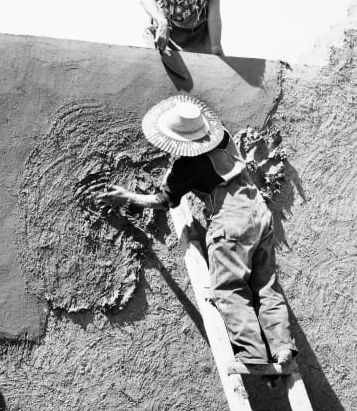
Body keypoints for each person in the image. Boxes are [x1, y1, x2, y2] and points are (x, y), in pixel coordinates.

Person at [100, 96, 297, 368]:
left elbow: (164, 201)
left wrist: (128, 197)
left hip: (232, 223)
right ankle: (282, 346)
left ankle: (253, 354)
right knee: (265, 285)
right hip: (258, 213)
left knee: (229, 287)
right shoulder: (224, 136)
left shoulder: (188, 166)